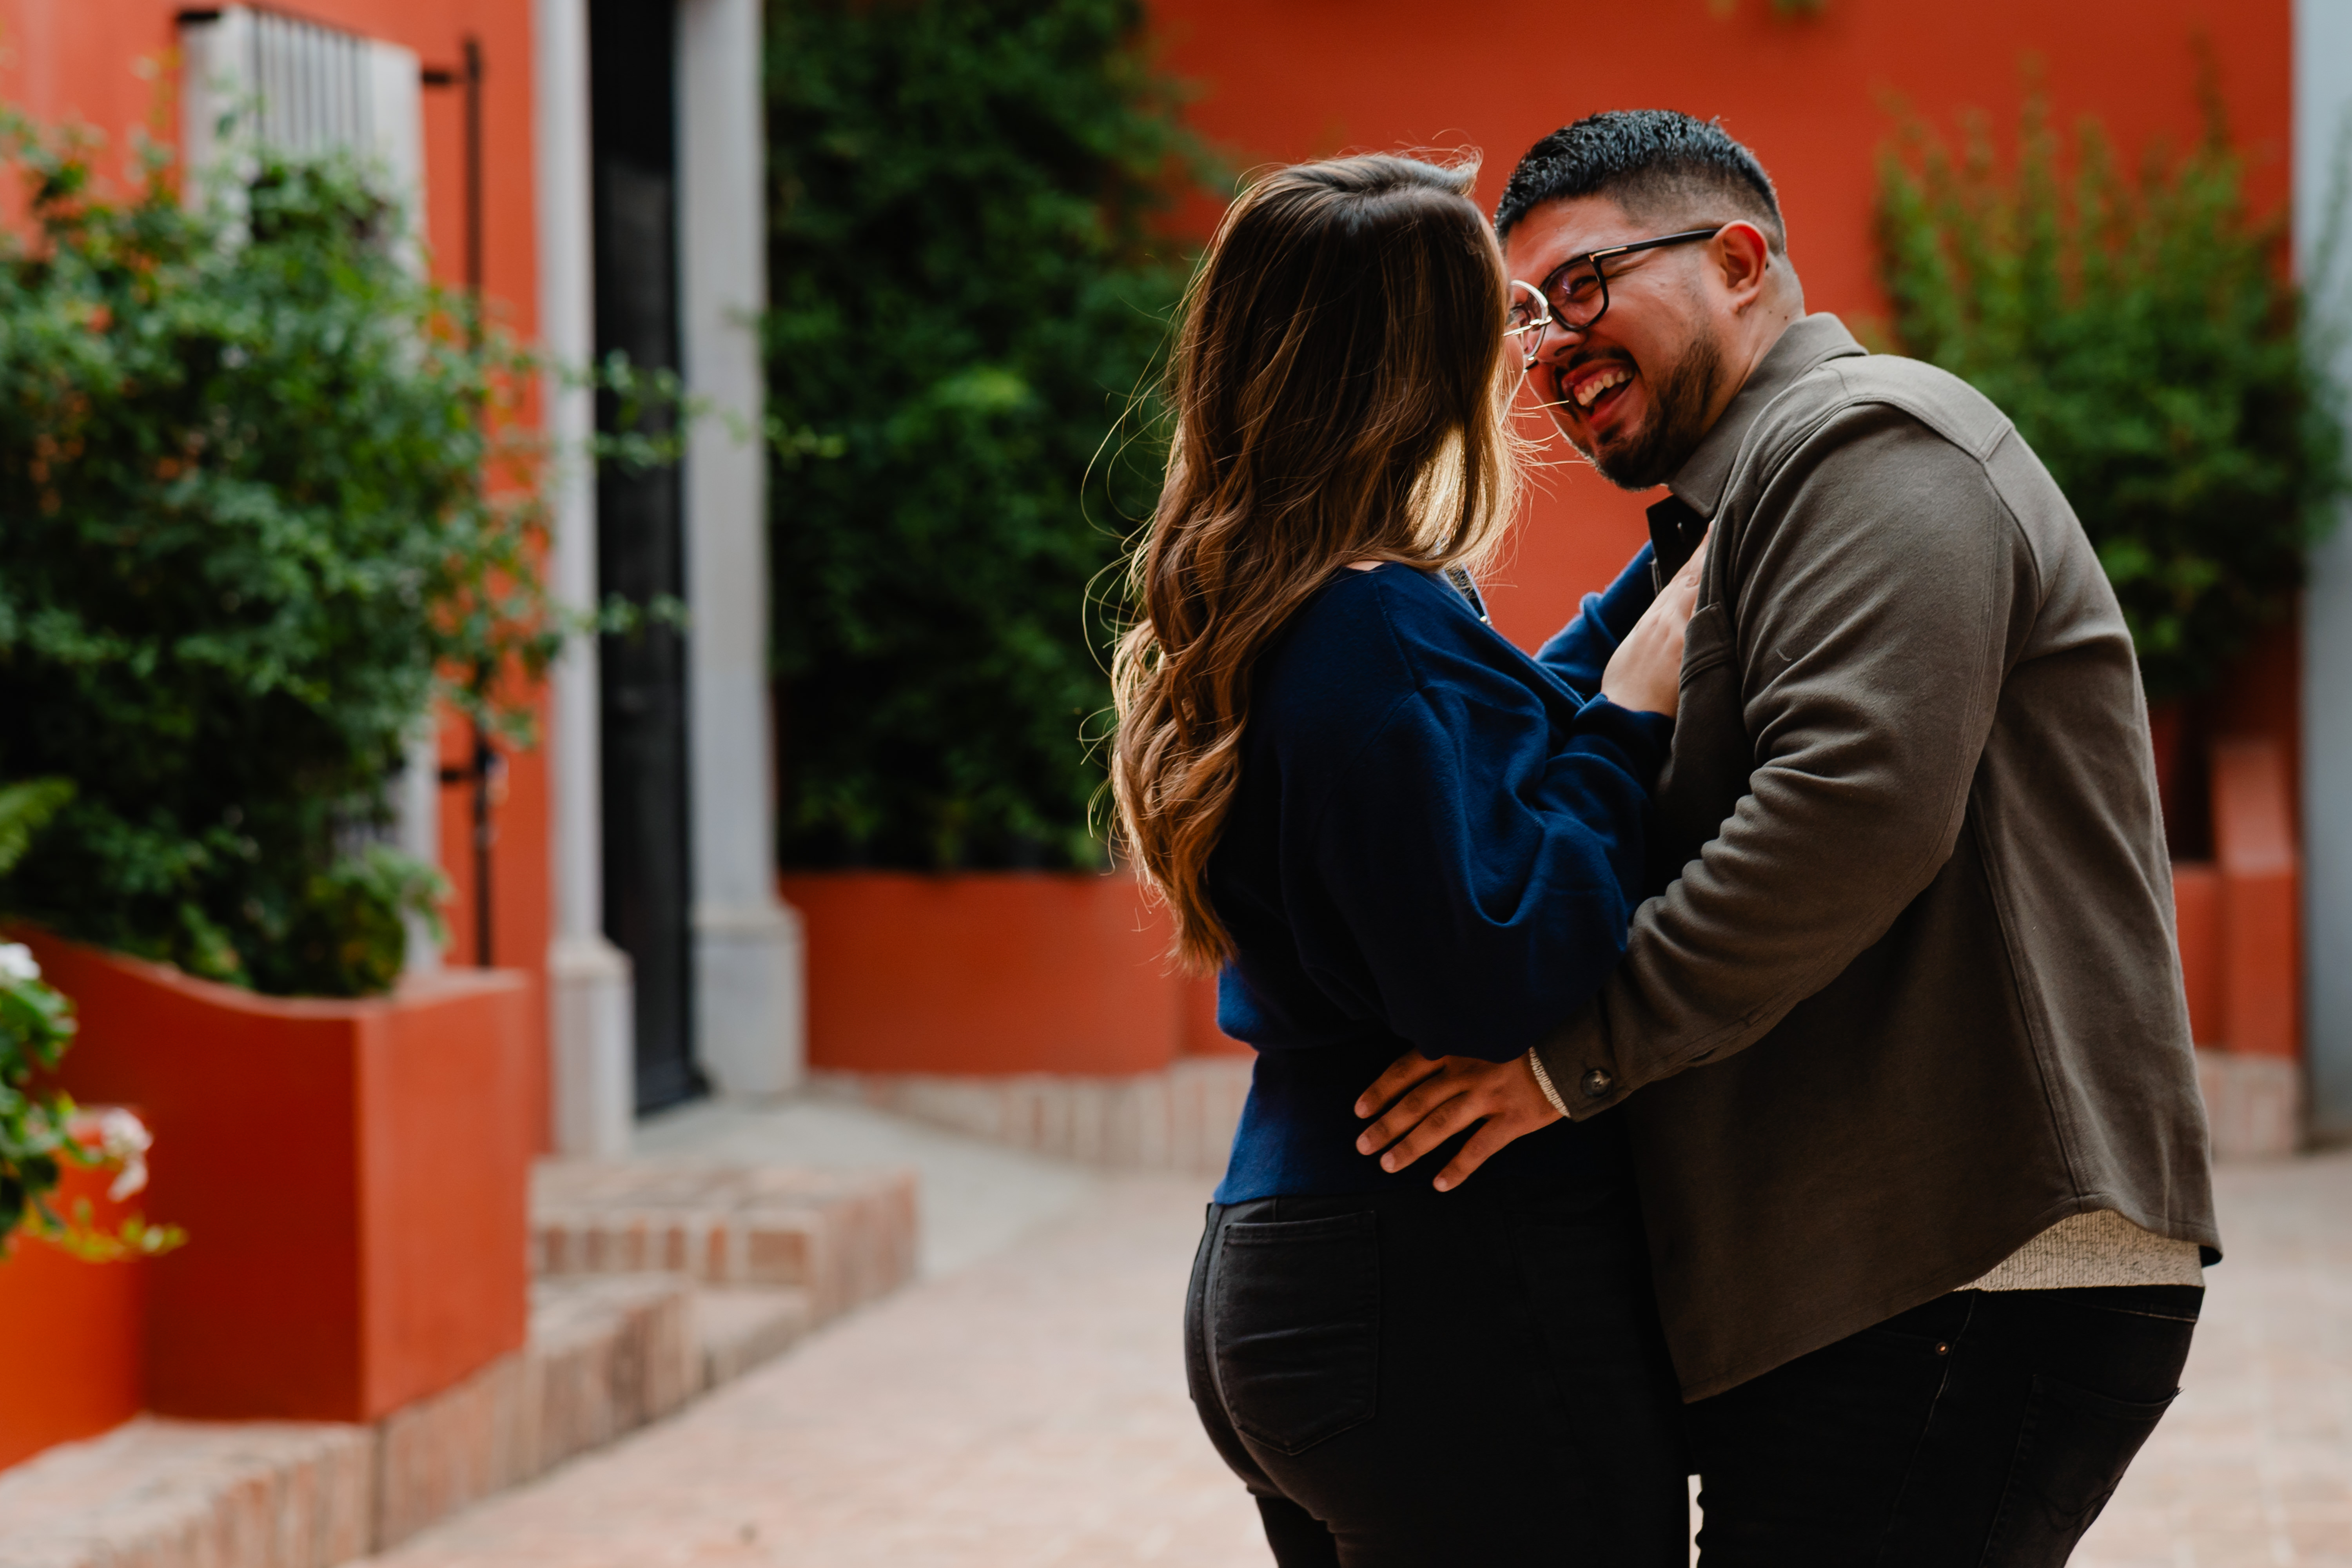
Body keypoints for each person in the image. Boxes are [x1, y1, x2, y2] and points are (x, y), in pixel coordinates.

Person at [1356, 111, 2219, 1566]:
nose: (1552, 350)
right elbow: (1539, 742)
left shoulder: (1872, 444)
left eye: (1583, 286)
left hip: (1974, 1260)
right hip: (1877, 1277)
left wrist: (1569, 1061)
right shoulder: (1721, 524)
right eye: (1524, 320)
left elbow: (1850, 811)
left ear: (1740, 259)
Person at [1109, 153, 1699, 1566]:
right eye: (1496, 317)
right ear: (1413, 359)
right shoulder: (1374, 635)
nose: (1534, 345)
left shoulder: (1306, 606)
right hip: (1434, 1293)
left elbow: (1490, 751)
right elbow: (1503, 961)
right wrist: (1632, 721)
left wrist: (1674, 563)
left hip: (1314, 1273)